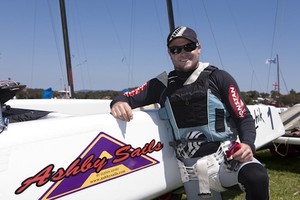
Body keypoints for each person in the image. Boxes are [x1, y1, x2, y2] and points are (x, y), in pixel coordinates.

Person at [110, 26, 269, 200]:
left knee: (256, 177)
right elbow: (127, 96)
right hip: (192, 171)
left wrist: (248, 144)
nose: (183, 53)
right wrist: (118, 102)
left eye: (189, 46)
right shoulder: (161, 84)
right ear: (169, 54)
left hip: (226, 161)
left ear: (199, 48)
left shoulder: (219, 77)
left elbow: (243, 116)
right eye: (175, 49)